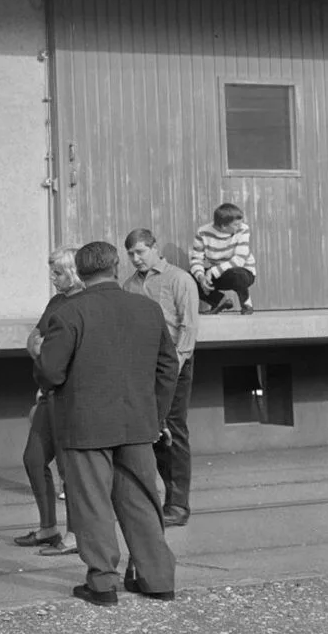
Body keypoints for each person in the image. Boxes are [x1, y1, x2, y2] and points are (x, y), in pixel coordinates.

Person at [36, 241, 179, 607]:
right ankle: (157, 578)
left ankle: (102, 583)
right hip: (138, 423)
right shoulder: (148, 309)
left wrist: (39, 354)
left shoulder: (69, 313)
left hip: (84, 426)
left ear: (80, 273)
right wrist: (157, 414)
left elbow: (50, 373)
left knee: (92, 504)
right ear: (116, 266)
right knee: (143, 502)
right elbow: (168, 368)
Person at [124, 228, 200, 528]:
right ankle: (158, 500)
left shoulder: (179, 279)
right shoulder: (129, 285)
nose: (135, 258)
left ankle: (178, 505)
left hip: (175, 364)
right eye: (130, 254)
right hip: (144, 365)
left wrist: (176, 366)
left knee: (174, 431)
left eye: (140, 251)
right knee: (152, 429)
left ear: (155, 248)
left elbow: (189, 327)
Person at [16, 247, 84, 556]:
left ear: (74, 272)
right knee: (33, 458)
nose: (52, 278)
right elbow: (33, 340)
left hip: (71, 397)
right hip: (48, 392)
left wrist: (45, 349)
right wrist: (43, 351)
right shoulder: (56, 302)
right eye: (52, 272)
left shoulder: (83, 302)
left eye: (58, 273)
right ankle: (47, 527)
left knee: (70, 469)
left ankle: (75, 533)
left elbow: (65, 352)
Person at [189, 202, 257, 315]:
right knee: (188, 279)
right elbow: (196, 259)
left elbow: (239, 260)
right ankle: (219, 301)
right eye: (236, 225)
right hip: (218, 274)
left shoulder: (243, 229)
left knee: (237, 274)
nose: (240, 226)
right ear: (224, 226)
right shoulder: (202, 232)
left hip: (243, 272)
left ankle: (246, 304)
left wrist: (212, 272)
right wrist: (201, 278)